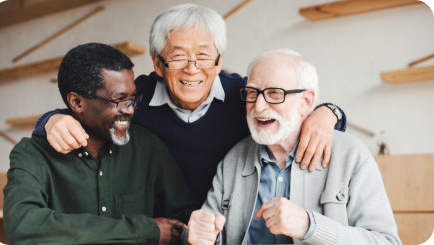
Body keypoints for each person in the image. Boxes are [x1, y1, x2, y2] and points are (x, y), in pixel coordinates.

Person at [32, 4, 347, 204]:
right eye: (179, 55)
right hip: (158, 229)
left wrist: (329, 113)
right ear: (158, 64)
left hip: (226, 227)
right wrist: (50, 119)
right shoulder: (136, 96)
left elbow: (291, 111)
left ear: (219, 61)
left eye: (204, 55)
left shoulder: (244, 95)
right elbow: (89, 111)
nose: (192, 67)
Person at [186, 49, 401, 245]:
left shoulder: (351, 156)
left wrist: (310, 226)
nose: (258, 106)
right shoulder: (233, 160)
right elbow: (204, 234)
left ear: (307, 102)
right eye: (252, 93)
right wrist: (193, 237)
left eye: (274, 94)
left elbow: (387, 242)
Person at [3, 43, 198, 245]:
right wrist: (143, 231)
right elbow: (23, 226)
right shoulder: (32, 154)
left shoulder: (147, 146)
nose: (130, 110)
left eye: (132, 99)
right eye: (119, 100)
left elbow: (185, 217)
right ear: (77, 103)